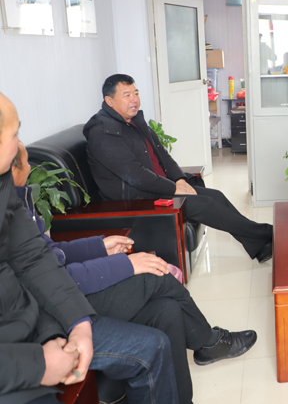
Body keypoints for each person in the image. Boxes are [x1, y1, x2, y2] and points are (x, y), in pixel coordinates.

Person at [12, 142, 257, 404]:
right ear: (9, 167)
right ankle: (207, 342)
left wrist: (99, 246)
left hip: (65, 294)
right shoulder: (9, 212)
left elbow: (51, 253)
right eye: (26, 163)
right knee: (155, 275)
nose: (30, 169)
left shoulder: (16, 200)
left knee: (168, 311)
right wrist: (127, 265)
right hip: (56, 308)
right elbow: (53, 279)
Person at [0, 92, 178, 404]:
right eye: (14, 135)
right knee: (157, 279)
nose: (17, 145)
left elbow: (33, 257)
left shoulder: (4, 188)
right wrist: (35, 365)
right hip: (16, 360)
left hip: (38, 319)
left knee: (162, 321)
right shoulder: (101, 132)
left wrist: (78, 323)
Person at [83, 74, 273, 263]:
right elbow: (136, 176)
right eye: (127, 95)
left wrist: (179, 179)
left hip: (154, 188)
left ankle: (260, 246)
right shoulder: (103, 132)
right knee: (206, 205)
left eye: (136, 93)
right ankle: (268, 233)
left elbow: (162, 154)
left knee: (216, 196)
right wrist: (174, 188)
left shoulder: (132, 122)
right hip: (136, 199)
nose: (134, 99)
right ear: (109, 101)